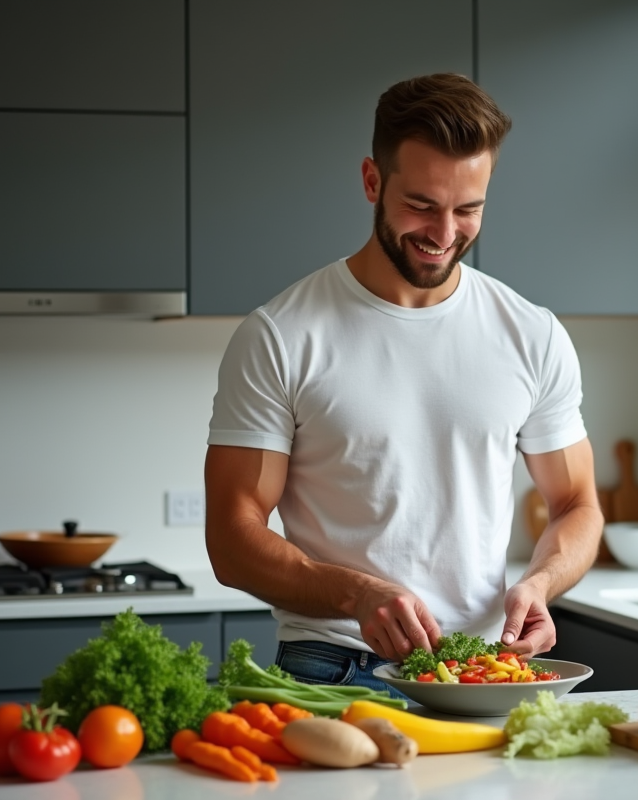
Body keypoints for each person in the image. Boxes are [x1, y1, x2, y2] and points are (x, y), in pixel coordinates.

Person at [205, 73, 603, 692]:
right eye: (421, 205)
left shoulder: (532, 334)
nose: (444, 235)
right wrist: (356, 593)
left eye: (468, 210)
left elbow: (577, 505)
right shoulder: (282, 334)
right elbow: (232, 539)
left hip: (483, 670)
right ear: (372, 181)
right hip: (333, 668)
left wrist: (540, 581)